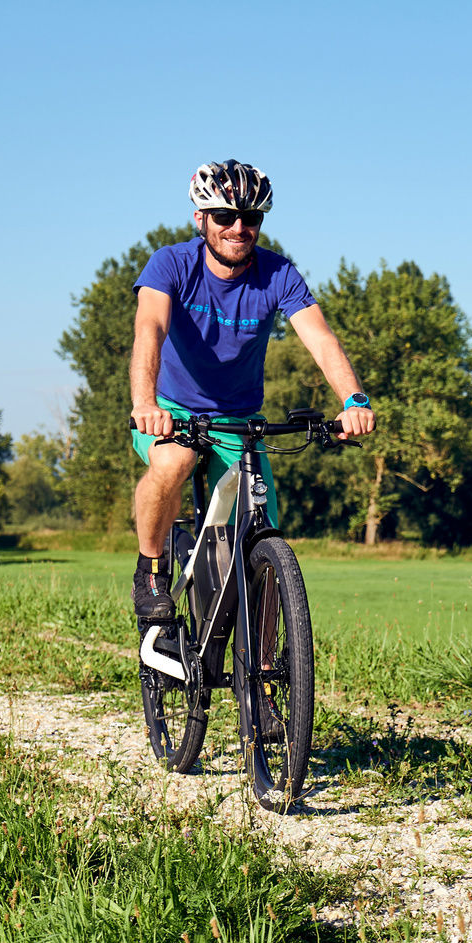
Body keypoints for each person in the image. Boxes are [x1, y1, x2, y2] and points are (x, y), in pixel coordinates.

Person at [127, 159, 376, 622]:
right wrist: (145, 403)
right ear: (200, 219)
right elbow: (150, 329)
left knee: (264, 540)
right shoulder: (171, 264)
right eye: (224, 216)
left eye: (251, 217)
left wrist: (354, 400)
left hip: (240, 422)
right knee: (175, 460)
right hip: (170, 409)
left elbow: (320, 340)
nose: (238, 227)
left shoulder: (278, 274)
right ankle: (151, 570)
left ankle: (263, 674)